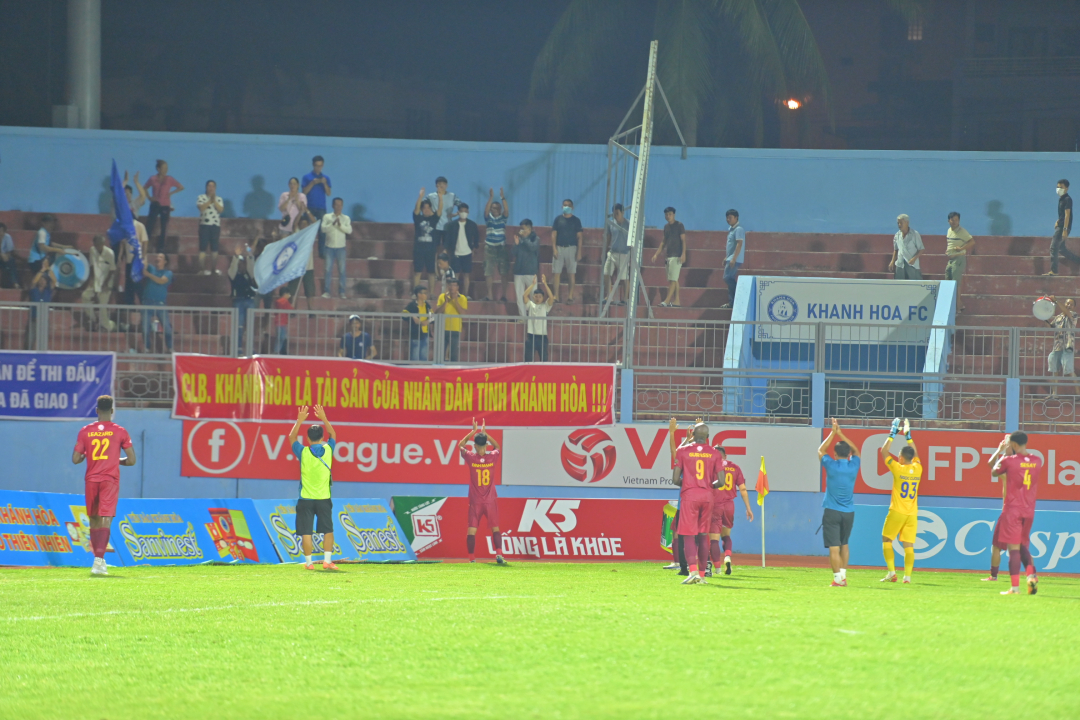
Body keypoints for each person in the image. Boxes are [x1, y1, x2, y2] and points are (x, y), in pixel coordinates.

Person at [72, 395, 135, 576]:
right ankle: (99, 561)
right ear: (112, 411)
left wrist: (85, 456)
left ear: (97, 410)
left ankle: (97, 560)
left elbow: (75, 459)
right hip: (110, 479)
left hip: (91, 479)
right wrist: (116, 460)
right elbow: (132, 460)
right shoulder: (120, 431)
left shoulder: (85, 431)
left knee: (93, 518)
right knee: (106, 517)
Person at [991, 431, 1043, 595]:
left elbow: (994, 471)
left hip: (1013, 508)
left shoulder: (1009, 461)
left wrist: (1002, 453)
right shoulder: (1037, 460)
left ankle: (1015, 588)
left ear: (1013, 445)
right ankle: (1031, 576)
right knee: (1023, 547)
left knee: (1013, 549)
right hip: (1029, 509)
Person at [288, 404, 339, 570]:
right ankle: (327, 561)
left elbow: (291, 438)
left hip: (306, 499)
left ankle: (309, 563)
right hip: (323, 498)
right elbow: (333, 434)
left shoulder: (303, 452)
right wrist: (324, 418)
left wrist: (299, 420)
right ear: (322, 437)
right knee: (328, 530)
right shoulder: (328, 449)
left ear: (308, 439)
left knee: (306, 532)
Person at [672, 421, 722, 584]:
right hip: (707, 497)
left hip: (689, 496)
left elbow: (674, 479)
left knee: (687, 534)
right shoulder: (715, 453)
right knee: (702, 535)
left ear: (692, 435)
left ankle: (692, 572)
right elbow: (720, 482)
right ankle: (701, 575)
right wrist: (707, 486)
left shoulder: (683, 451)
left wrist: (688, 483)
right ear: (708, 437)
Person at [879, 418, 922, 584]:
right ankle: (908, 577)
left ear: (902, 458)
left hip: (897, 511)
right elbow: (915, 453)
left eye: (898, 456)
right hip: (912, 514)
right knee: (909, 545)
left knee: (886, 540)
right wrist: (908, 437)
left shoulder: (897, 468)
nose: (897, 458)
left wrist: (892, 434)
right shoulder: (918, 468)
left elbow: (883, 452)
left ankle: (891, 572)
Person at [458, 418, 507, 565]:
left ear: (474, 445)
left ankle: (472, 559)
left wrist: (473, 431)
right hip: (490, 499)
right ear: (486, 444)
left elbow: (460, 445)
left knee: (471, 531)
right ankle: (499, 555)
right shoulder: (493, 456)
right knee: (495, 528)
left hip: (475, 501)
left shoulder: (471, 457)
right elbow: (498, 446)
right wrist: (486, 433)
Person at [818, 418, 860, 587]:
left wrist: (832, 433)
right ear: (849, 454)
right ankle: (843, 576)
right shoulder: (854, 464)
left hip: (832, 511)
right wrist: (841, 433)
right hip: (849, 512)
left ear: (834, 455)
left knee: (834, 547)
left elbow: (821, 450)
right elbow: (856, 450)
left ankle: (837, 580)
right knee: (845, 544)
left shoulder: (830, 464)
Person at [710, 446, 753, 577]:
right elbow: (743, 489)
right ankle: (728, 556)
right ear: (725, 456)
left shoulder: (711, 467)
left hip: (715, 505)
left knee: (714, 539)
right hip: (729, 505)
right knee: (726, 535)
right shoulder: (734, 467)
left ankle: (717, 568)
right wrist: (748, 508)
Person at [982, 436, 1013, 582]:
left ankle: (993, 576)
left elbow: (990, 464)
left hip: (1008, 512)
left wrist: (999, 450)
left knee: (996, 547)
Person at [144, 160, 183, 252]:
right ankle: (145, 246)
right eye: (164, 168)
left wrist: (171, 193)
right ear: (158, 169)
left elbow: (181, 187)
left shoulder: (169, 179)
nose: (165, 170)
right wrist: (149, 197)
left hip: (165, 205)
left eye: (166, 168)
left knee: (164, 227)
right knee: (150, 225)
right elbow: (145, 187)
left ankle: (161, 248)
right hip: (155, 204)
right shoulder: (153, 178)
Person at [652, 207, 686, 307]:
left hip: (676, 256)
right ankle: (677, 301)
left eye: (670, 214)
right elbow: (663, 242)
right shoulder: (666, 227)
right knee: (674, 279)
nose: (668, 216)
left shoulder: (679, 225)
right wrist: (656, 254)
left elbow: (683, 240)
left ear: (674, 214)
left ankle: (666, 301)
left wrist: (683, 253)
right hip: (669, 255)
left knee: (673, 279)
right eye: (666, 214)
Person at [81, 235, 116, 331]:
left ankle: (107, 326)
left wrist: (105, 284)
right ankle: (93, 319)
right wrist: (91, 281)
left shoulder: (109, 253)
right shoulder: (92, 250)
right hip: (96, 280)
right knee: (85, 296)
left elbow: (112, 270)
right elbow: (92, 266)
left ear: (103, 244)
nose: (98, 247)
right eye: (96, 245)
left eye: (99, 245)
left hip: (106, 282)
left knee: (102, 303)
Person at [413, 187, 444, 296]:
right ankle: (416, 293)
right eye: (424, 208)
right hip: (419, 249)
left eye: (428, 207)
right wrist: (420, 196)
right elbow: (416, 210)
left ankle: (431, 293)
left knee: (431, 272)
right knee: (417, 272)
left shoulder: (433, 219)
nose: (426, 209)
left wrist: (440, 198)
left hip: (431, 250)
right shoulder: (418, 219)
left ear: (431, 209)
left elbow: (440, 211)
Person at [551, 199, 583, 303]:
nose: (566, 207)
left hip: (571, 248)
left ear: (572, 207)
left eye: (568, 205)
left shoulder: (576, 220)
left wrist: (579, 252)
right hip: (559, 248)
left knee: (571, 273)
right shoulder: (558, 219)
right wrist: (554, 249)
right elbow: (553, 235)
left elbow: (579, 237)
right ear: (562, 207)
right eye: (565, 205)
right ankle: (556, 296)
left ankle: (570, 297)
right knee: (556, 273)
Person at [285, 210, 318, 312]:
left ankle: (311, 311)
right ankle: (292, 309)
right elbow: (294, 224)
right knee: (293, 291)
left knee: (310, 291)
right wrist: (299, 212)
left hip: (308, 267)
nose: (304, 225)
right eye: (302, 223)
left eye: (305, 223)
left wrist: (307, 211)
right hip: (296, 267)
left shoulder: (310, 233)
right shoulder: (297, 234)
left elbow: (315, 222)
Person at [229, 243, 259, 352]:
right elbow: (232, 267)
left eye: (243, 263)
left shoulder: (249, 274)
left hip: (249, 300)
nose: (242, 265)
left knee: (250, 326)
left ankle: (250, 349)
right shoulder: (233, 274)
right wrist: (236, 257)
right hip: (238, 301)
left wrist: (250, 254)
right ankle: (238, 348)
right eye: (240, 263)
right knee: (239, 327)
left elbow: (251, 264)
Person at [141, 253, 173, 353]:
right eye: (157, 256)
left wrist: (149, 275)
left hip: (160, 304)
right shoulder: (151, 268)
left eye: (161, 257)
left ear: (165, 261)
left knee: (167, 328)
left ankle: (170, 347)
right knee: (145, 328)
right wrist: (144, 251)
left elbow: (161, 281)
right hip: (147, 301)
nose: (158, 258)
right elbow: (144, 264)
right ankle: (147, 347)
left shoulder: (168, 273)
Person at [320, 197, 352, 299]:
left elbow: (349, 230)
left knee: (342, 270)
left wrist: (339, 225)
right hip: (329, 247)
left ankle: (342, 292)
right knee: (327, 270)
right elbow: (323, 229)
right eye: (336, 205)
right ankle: (327, 291)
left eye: (340, 205)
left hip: (341, 248)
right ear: (333, 206)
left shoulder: (346, 218)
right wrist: (332, 224)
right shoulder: (327, 217)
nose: (338, 207)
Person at [1046, 178, 1078, 276]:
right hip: (1061, 224)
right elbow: (1063, 215)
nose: (1058, 189)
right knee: (1061, 249)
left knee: (1053, 248)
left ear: (1067, 188)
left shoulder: (1068, 199)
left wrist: (1064, 229)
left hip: (1063, 227)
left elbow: (1068, 215)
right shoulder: (1062, 199)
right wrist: (1058, 220)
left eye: (1061, 187)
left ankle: (1054, 271)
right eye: (1057, 187)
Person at [1044, 295, 1075, 395]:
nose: (1068, 305)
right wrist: (1044, 317)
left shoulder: (1073, 315)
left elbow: (1067, 313)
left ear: (1074, 307)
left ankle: (1078, 393)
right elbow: (1050, 327)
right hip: (1057, 346)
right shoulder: (1058, 317)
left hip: (1067, 347)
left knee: (1069, 370)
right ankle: (1054, 394)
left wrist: (1056, 301)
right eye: (1067, 303)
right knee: (1054, 370)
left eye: (1071, 304)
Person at [483, 188, 511, 301]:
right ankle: (489, 295)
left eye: (497, 208)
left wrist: (502, 197)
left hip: (502, 247)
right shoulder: (488, 218)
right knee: (488, 272)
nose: (495, 209)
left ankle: (504, 296)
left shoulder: (503, 218)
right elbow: (485, 211)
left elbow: (507, 210)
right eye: (493, 208)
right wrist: (490, 198)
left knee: (504, 272)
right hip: (489, 247)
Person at [302, 156, 332, 258]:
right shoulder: (307, 177)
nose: (318, 168)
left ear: (322, 166)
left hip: (321, 207)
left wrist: (324, 184)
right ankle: (305, 250)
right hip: (309, 206)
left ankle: (322, 253)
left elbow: (328, 193)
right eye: (316, 166)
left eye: (320, 166)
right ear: (313, 165)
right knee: (306, 230)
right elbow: (304, 192)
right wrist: (312, 183)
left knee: (322, 230)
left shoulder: (326, 178)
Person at [945, 212, 975, 313]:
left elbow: (972, 242)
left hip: (958, 259)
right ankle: (959, 304)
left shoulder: (962, 231)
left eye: (957, 220)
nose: (954, 222)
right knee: (948, 282)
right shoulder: (949, 230)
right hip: (950, 260)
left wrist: (961, 248)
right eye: (952, 220)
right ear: (948, 220)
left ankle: (957, 306)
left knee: (956, 283)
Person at [447, 202, 479, 296]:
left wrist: (474, 247)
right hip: (456, 253)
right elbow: (448, 238)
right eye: (461, 211)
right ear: (458, 212)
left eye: (465, 211)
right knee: (455, 275)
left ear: (468, 212)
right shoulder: (452, 225)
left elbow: (476, 237)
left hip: (467, 253)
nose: (463, 213)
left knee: (466, 275)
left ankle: (465, 295)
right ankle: (454, 294)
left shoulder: (472, 225)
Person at [602, 204, 630, 306]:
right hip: (612, 252)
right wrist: (605, 250)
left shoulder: (629, 224)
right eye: (614, 213)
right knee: (606, 273)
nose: (615, 215)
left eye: (617, 213)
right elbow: (608, 237)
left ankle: (626, 299)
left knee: (624, 278)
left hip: (624, 254)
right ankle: (609, 296)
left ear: (622, 213)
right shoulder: (611, 224)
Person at [512, 220, 540, 316]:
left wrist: (524, 239)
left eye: (523, 229)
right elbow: (513, 253)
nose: (522, 231)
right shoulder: (519, 239)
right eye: (521, 229)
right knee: (519, 297)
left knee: (533, 296)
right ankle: (522, 317)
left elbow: (532, 248)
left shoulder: (536, 239)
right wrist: (516, 244)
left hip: (531, 271)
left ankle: (533, 317)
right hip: (518, 271)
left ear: (529, 229)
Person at [523, 275, 554, 362]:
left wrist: (545, 284)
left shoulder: (545, 306)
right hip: (531, 336)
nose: (538, 298)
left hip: (542, 337)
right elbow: (525, 296)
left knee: (544, 360)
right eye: (536, 296)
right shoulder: (530, 305)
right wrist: (533, 284)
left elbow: (551, 297)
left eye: (540, 297)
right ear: (533, 297)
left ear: (543, 298)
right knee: (528, 361)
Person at [195, 180, 224, 276]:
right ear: (206, 187)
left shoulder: (219, 199)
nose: (211, 188)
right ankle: (202, 270)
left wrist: (214, 201)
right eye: (209, 186)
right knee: (202, 248)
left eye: (213, 186)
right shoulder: (201, 197)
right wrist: (209, 201)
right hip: (204, 225)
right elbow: (201, 208)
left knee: (214, 249)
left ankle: (213, 269)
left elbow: (220, 210)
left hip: (215, 226)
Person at [437, 277, 467, 362]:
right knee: (440, 354)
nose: (452, 287)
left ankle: (453, 371)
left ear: (458, 287)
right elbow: (437, 312)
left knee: (453, 353)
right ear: (447, 286)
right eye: (450, 285)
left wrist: (456, 301)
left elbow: (463, 313)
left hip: (455, 329)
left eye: (455, 285)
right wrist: (446, 302)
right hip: (442, 328)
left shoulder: (462, 298)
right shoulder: (442, 296)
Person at [426, 176, 458, 250]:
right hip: (435, 226)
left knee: (447, 247)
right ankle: (434, 261)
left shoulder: (452, 196)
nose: (441, 186)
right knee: (434, 247)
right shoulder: (430, 196)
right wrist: (431, 213)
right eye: (439, 184)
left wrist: (455, 214)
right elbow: (423, 206)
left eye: (443, 184)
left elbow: (461, 206)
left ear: (447, 185)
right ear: (436, 185)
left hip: (448, 226)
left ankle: (445, 261)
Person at [721, 209, 745, 309]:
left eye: (730, 217)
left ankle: (736, 299)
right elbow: (731, 246)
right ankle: (732, 302)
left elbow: (739, 244)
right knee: (729, 278)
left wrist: (733, 259)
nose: (728, 219)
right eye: (727, 217)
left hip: (735, 259)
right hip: (731, 258)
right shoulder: (731, 229)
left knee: (727, 278)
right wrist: (726, 257)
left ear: (736, 218)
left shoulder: (738, 229)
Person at [890, 214, 924, 280]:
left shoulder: (915, 234)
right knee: (899, 285)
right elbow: (896, 249)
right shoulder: (897, 235)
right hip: (900, 264)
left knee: (913, 285)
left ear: (907, 223)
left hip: (911, 264)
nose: (899, 225)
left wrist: (914, 259)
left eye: (901, 223)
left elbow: (921, 249)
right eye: (898, 223)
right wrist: (892, 261)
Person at [403, 286, 431, 361]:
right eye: (424, 293)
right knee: (414, 356)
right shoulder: (412, 305)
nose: (426, 295)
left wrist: (427, 321)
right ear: (419, 294)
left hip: (425, 333)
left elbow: (432, 316)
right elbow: (404, 314)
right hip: (415, 333)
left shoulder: (427, 305)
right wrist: (412, 316)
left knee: (424, 356)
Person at [0, 223, 19, 289]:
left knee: (11, 261)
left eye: (1, 230)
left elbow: (10, 251)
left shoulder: (7, 237)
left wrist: (5, 256)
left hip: (5, 258)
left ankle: (15, 282)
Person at [273, 289, 292, 354]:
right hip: (280, 322)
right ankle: (276, 351)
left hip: (281, 322)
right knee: (281, 338)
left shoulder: (280, 301)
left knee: (283, 337)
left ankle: (281, 351)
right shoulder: (283, 301)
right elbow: (291, 309)